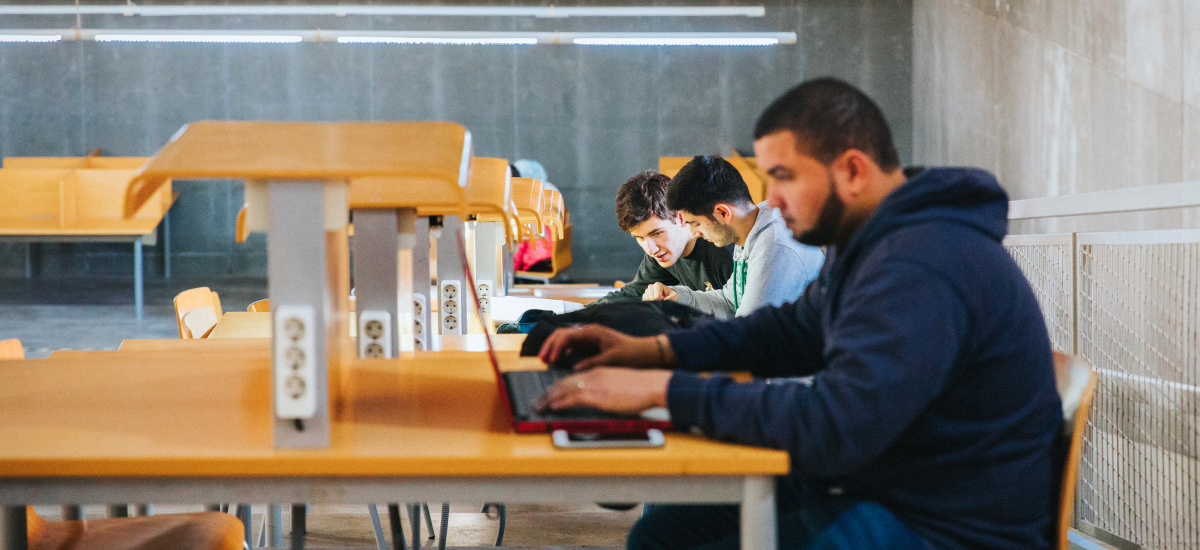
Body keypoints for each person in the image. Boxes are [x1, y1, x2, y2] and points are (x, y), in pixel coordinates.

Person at [535, 78, 1063, 549]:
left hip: (943, 521)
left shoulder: (922, 262)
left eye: (784, 177)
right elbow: (788, 330)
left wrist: (664, 391)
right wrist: (655, 351)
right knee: (667, 528)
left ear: (852, 170)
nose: (774, 201)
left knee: (674, 538)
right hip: (890, 483)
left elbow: (835, 424)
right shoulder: (869, 243)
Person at [642, 155, 824, 319]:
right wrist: (681, 297)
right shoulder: (750, 234)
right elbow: (730, 301)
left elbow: (748, 332)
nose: (695, 234)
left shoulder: (773, 245)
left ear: (723, 213)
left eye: (696, 224)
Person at [591, 170, 734, 307]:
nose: (651, 249)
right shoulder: (661, 252)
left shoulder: (723, 250)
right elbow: (631, 294)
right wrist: (575, 315)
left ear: (681, 217)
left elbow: (745, 317)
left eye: (657, 233)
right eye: (639, 238)